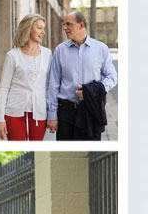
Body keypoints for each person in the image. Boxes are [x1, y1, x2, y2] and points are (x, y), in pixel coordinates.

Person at [46, 10, 117, 140]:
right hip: (65, 112)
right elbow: (53, 83)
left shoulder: (101, 49)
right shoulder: (60, 50)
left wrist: (92, 92)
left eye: (69, 24)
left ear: (81, 25)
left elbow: (112, 77)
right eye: (64, 24)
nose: (64, 28)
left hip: (90, 110)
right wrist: (52, 115)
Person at [0, 13, 52, 141]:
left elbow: (50, 86)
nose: (43, 32)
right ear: (28, 28)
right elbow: (4, 87)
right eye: (39, 28)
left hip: (39, 110)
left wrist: (52, 114)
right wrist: (0, 119)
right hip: (14, 110)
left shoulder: (48, 54)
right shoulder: (13, 55)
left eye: (44, 28)